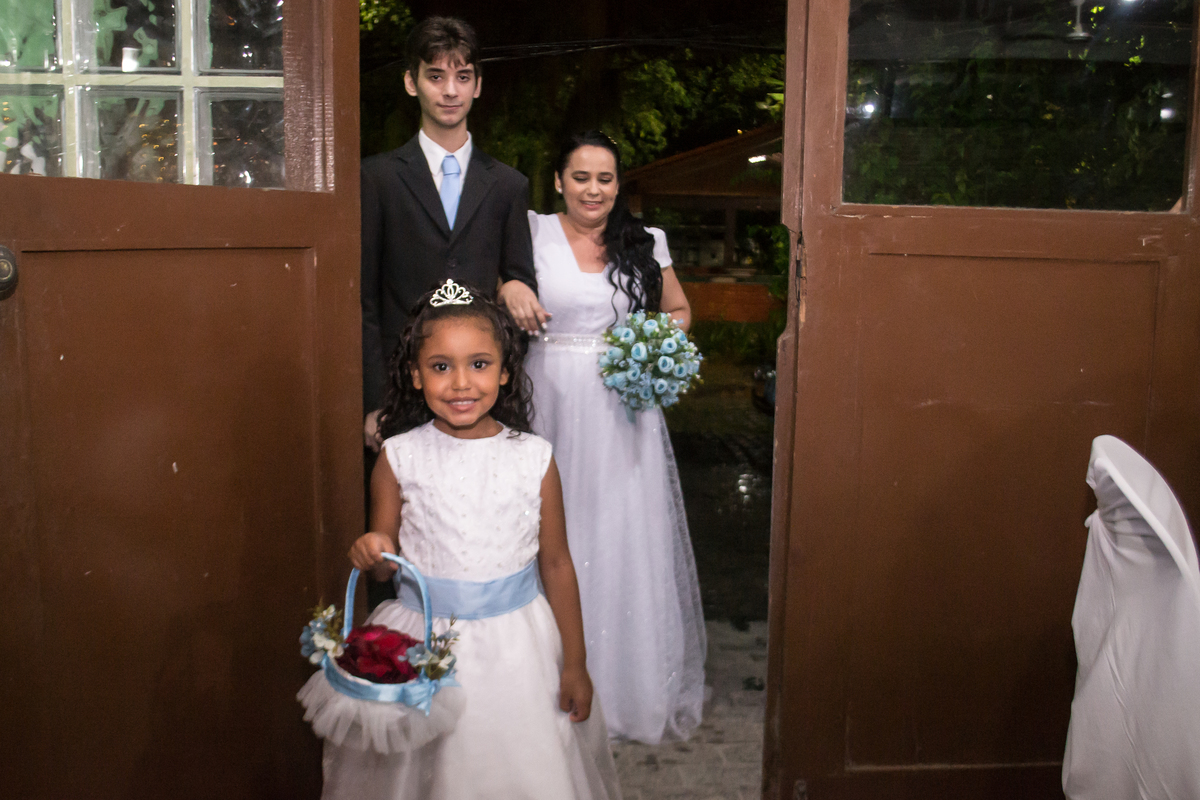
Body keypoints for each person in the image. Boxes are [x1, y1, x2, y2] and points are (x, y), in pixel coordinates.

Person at [323, 280, 621, 800]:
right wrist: (372, 549)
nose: (462, 383)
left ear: (505, 372)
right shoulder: (398, 456)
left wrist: (575, 663)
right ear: (416, 376)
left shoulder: (534, 458)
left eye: (479, 364)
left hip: (518, 650)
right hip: (425, 646)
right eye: (441, 367)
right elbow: (384, 564)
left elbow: (556, 564)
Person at [510, 131, 707, 744]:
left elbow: (678, 310)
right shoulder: (530, 231)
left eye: (605, 179)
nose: (593, 190)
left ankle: (624, 686)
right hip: (551, 395)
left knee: (621, 527)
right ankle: (541, 678)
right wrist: (506, 291)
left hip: (623, 405)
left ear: (618, 185)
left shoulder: (645, 241)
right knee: (551, 525)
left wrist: (649, 347)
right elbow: (498, 293)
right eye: (580, 177)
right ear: (560, 182)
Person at [360, 16, 547, 453]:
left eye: (463, 77)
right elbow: (364, 300)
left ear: (478, 85)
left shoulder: (508, 185)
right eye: (436, 76)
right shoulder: (377, 178)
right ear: (411, 82)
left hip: (480, 395)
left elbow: (520, 285)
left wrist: (499, 380)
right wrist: (372, 402)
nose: (450, 90)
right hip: (400, 389)